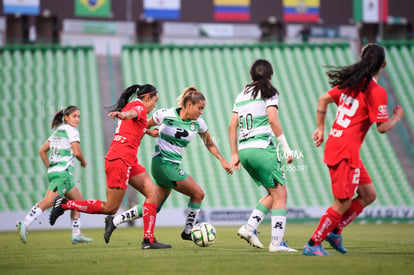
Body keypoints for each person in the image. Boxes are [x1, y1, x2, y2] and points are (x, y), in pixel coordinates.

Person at [303, 43, 405, 256]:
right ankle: (313, 244)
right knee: (342, 202)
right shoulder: (376, 91)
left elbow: (323, 99)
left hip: (342, 146)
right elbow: (382, 128)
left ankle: (335, 230)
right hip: (345, 150)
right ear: (383, 65)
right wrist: (396, 118)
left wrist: (320, 128)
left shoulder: (351, 83)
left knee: (368, 194)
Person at [49, 84, 171, 249]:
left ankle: (148, 241)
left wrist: (149, 132)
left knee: (153, 194)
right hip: (119, 159)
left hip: (129, 160)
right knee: (110, 207)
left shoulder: (133, 106)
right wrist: (124, 115)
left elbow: (134, 123)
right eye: (155, 101)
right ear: (147, 98)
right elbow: (131, 115)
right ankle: (64, 204)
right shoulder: (138, 107)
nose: (155, 105)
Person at [103, 86, 233, 242]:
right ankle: (188, 231)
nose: (201, 112)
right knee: (198, 194)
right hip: (162, 164)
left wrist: (222, 160)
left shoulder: (199, 123)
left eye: (203, 109)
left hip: (173, 166)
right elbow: (143, 125)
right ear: (189, 105)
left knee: (154, 206)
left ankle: (114, 221)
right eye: (200, 108)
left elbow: (209, 143)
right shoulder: (165, 114)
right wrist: (148, 134)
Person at [228, 59, 297, 252]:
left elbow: (232, 125)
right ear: (270, 76)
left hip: (244, 151)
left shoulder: (241, 95)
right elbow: (273, 120)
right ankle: (276, 244)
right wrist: (286, 148)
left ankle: (248, 228)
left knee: (273, 194)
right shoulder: (270, 92)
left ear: (251, 76)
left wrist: (234, 154)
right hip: (261, 148)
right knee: (281, 194)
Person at [16, 105, 92, 244]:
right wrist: (83, 162)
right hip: (62, 173)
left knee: (78, 201)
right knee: (48, 202)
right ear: (66, 117)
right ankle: (25, 223)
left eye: (79, 116)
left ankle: (76, 234)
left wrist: (50, 167)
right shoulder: (72, 131)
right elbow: (76, 152)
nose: (77, 119)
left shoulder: (58, 131)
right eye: (74, 116)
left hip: (57, 172)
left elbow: (42, 151)